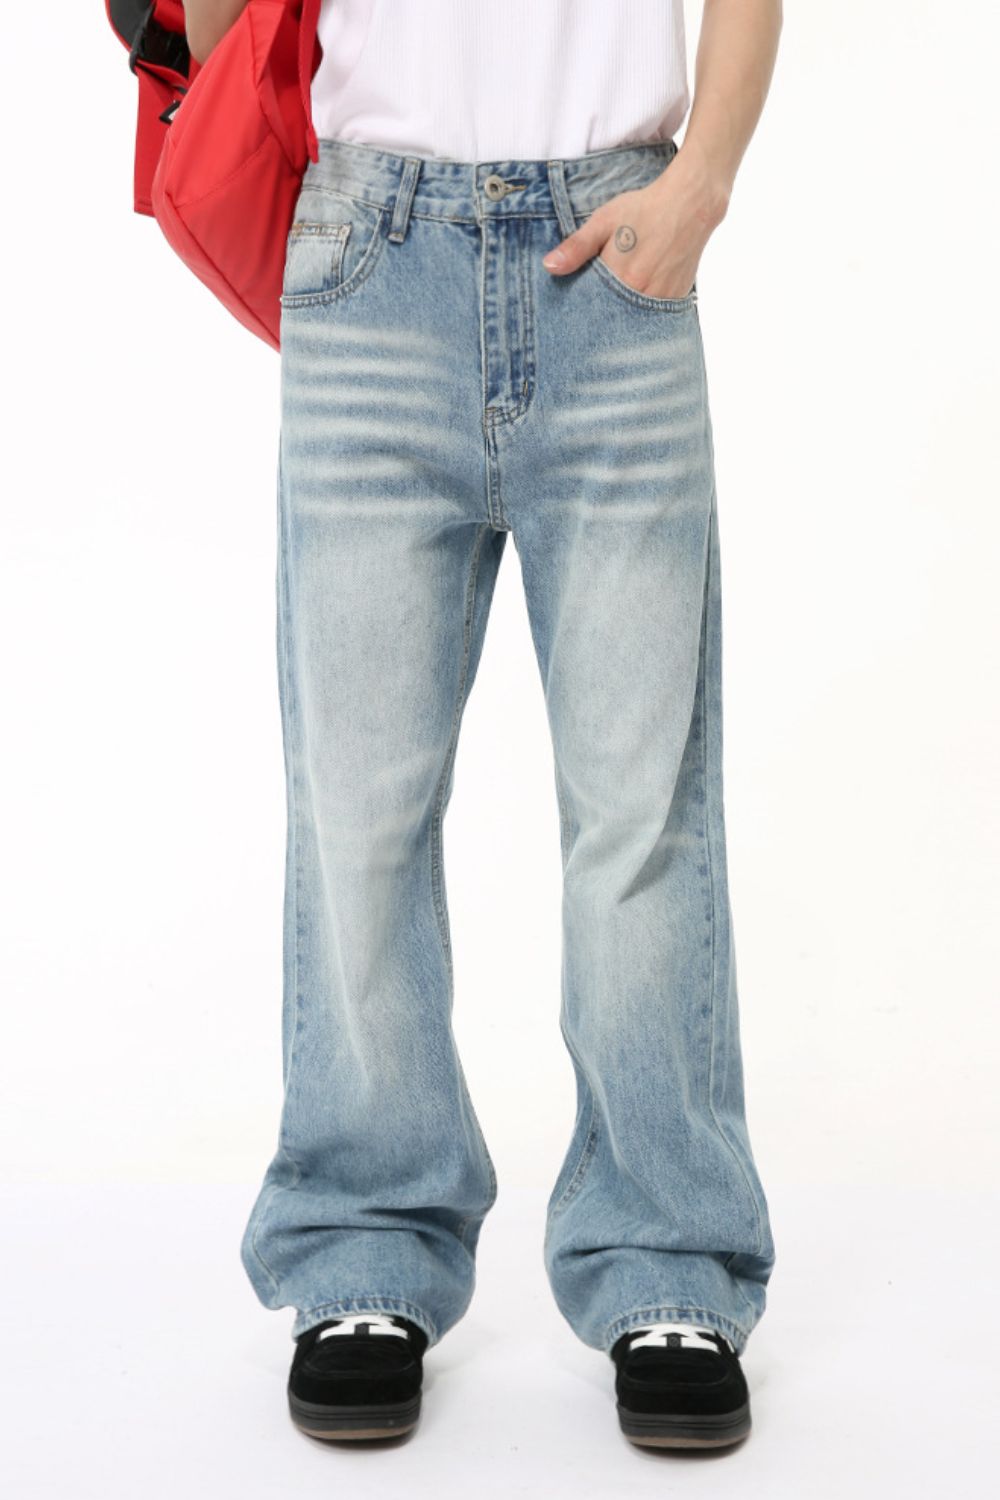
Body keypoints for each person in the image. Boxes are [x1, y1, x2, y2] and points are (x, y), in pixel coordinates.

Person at [186, 0, 783, 1451]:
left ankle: (668, 1260)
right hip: (370, 256)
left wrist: (704, 179)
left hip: (615, 250)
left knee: (641, 810)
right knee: (358, 809)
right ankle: (362, 1252)